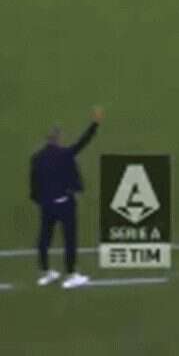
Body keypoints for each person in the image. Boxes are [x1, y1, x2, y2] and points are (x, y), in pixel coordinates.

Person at [30, 106, 102, 289]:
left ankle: (46, 273)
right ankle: (71, 275)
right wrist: (95, 124)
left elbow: (34, 183)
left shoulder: (37, 158)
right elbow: (82, 143)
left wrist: (39, 200)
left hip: (47, 205)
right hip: (65, 204)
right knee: (70, 240)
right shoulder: (64, 154)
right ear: (59, 139)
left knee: (44, 238)